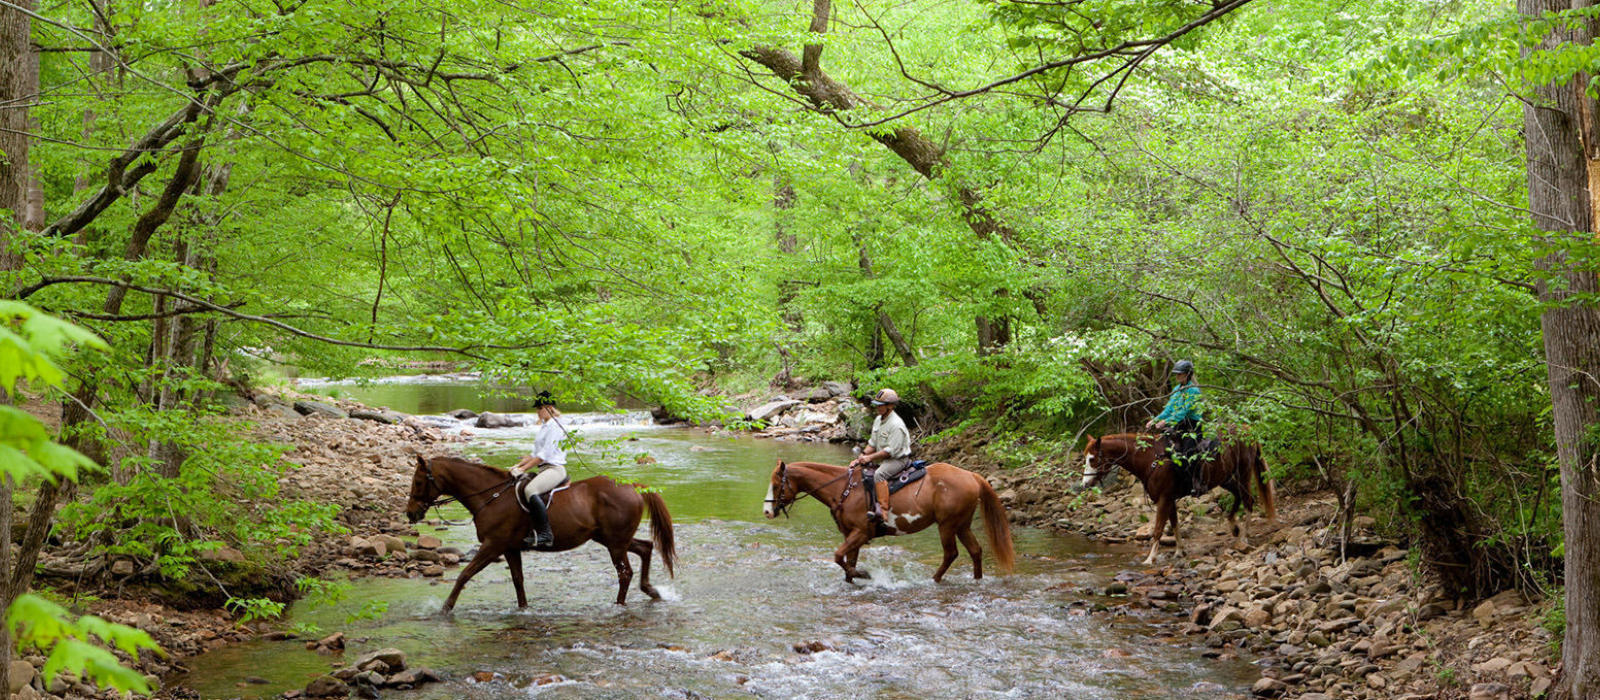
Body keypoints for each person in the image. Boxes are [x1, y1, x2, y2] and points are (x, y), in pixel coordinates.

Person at [512, 391, 567, 549]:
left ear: (549, 408)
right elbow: (536, 454)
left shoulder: (555, 426)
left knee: (531, 490)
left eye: (540, 408)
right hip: (543, 468)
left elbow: (544, 455)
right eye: (537, 409)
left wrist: (524, 468)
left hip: (554, 468)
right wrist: (518, 465)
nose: (537, 411)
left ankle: (545, 533)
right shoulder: (545, 426)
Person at [851, 388, 913, 522]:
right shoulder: (878, 420)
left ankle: (883, 511)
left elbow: (890, 451)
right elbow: (872, 444)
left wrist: (870, 458)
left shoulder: (896, 425)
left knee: (879, 474)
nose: (877, 408)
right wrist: (860, 457)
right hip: (882, 457)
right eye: (877, 405)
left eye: (881, 405)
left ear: (890, 406)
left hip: (897, 459)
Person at [1145, 359, 1204, 480]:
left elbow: (1184, 411)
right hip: (1179, 424)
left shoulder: (1193, 390)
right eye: (1176, 373)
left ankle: (1195, 481)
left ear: (1188, 374)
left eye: (1180, 374)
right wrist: (1155, 420)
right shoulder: (1176, 389)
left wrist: (1166, 422)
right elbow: (1168, 410)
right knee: (1162, 446)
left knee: (1188, 452)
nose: (1177, 376)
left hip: (1192, 426)